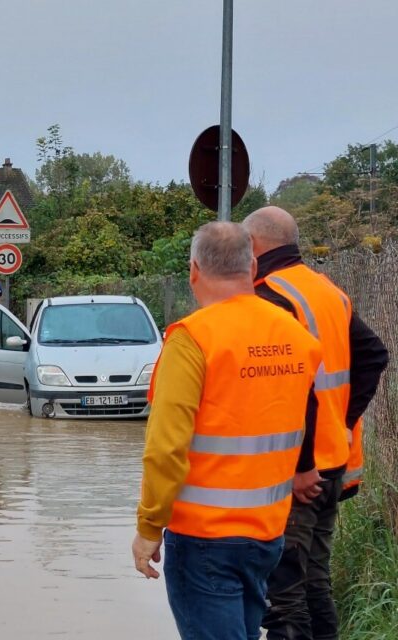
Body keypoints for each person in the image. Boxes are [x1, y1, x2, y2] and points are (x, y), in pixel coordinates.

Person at [133, 222, 323, 640]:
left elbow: (166, 448)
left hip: (205, 538)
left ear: (194, 270)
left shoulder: (193, 340)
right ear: (253, 266)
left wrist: (149, 528)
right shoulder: (297, 335)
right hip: (268, 533)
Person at [241, 206, 388, 640]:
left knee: (284, 596)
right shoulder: (327, 290)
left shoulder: (271, 296)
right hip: (332, 462)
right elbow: (375, 355)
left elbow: (296, 386)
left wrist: (301, 464)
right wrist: (344, 421)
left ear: (253, 247)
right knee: (314, 581)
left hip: (298, 471)